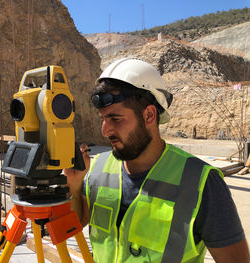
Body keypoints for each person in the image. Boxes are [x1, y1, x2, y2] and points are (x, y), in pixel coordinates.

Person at [65, 58, 250, 262]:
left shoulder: (201, 182)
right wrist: (73, 188)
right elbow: (76, 223)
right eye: (103, 118)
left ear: (149, 115)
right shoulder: (97, 168)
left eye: (115, 119)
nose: (105, 130)